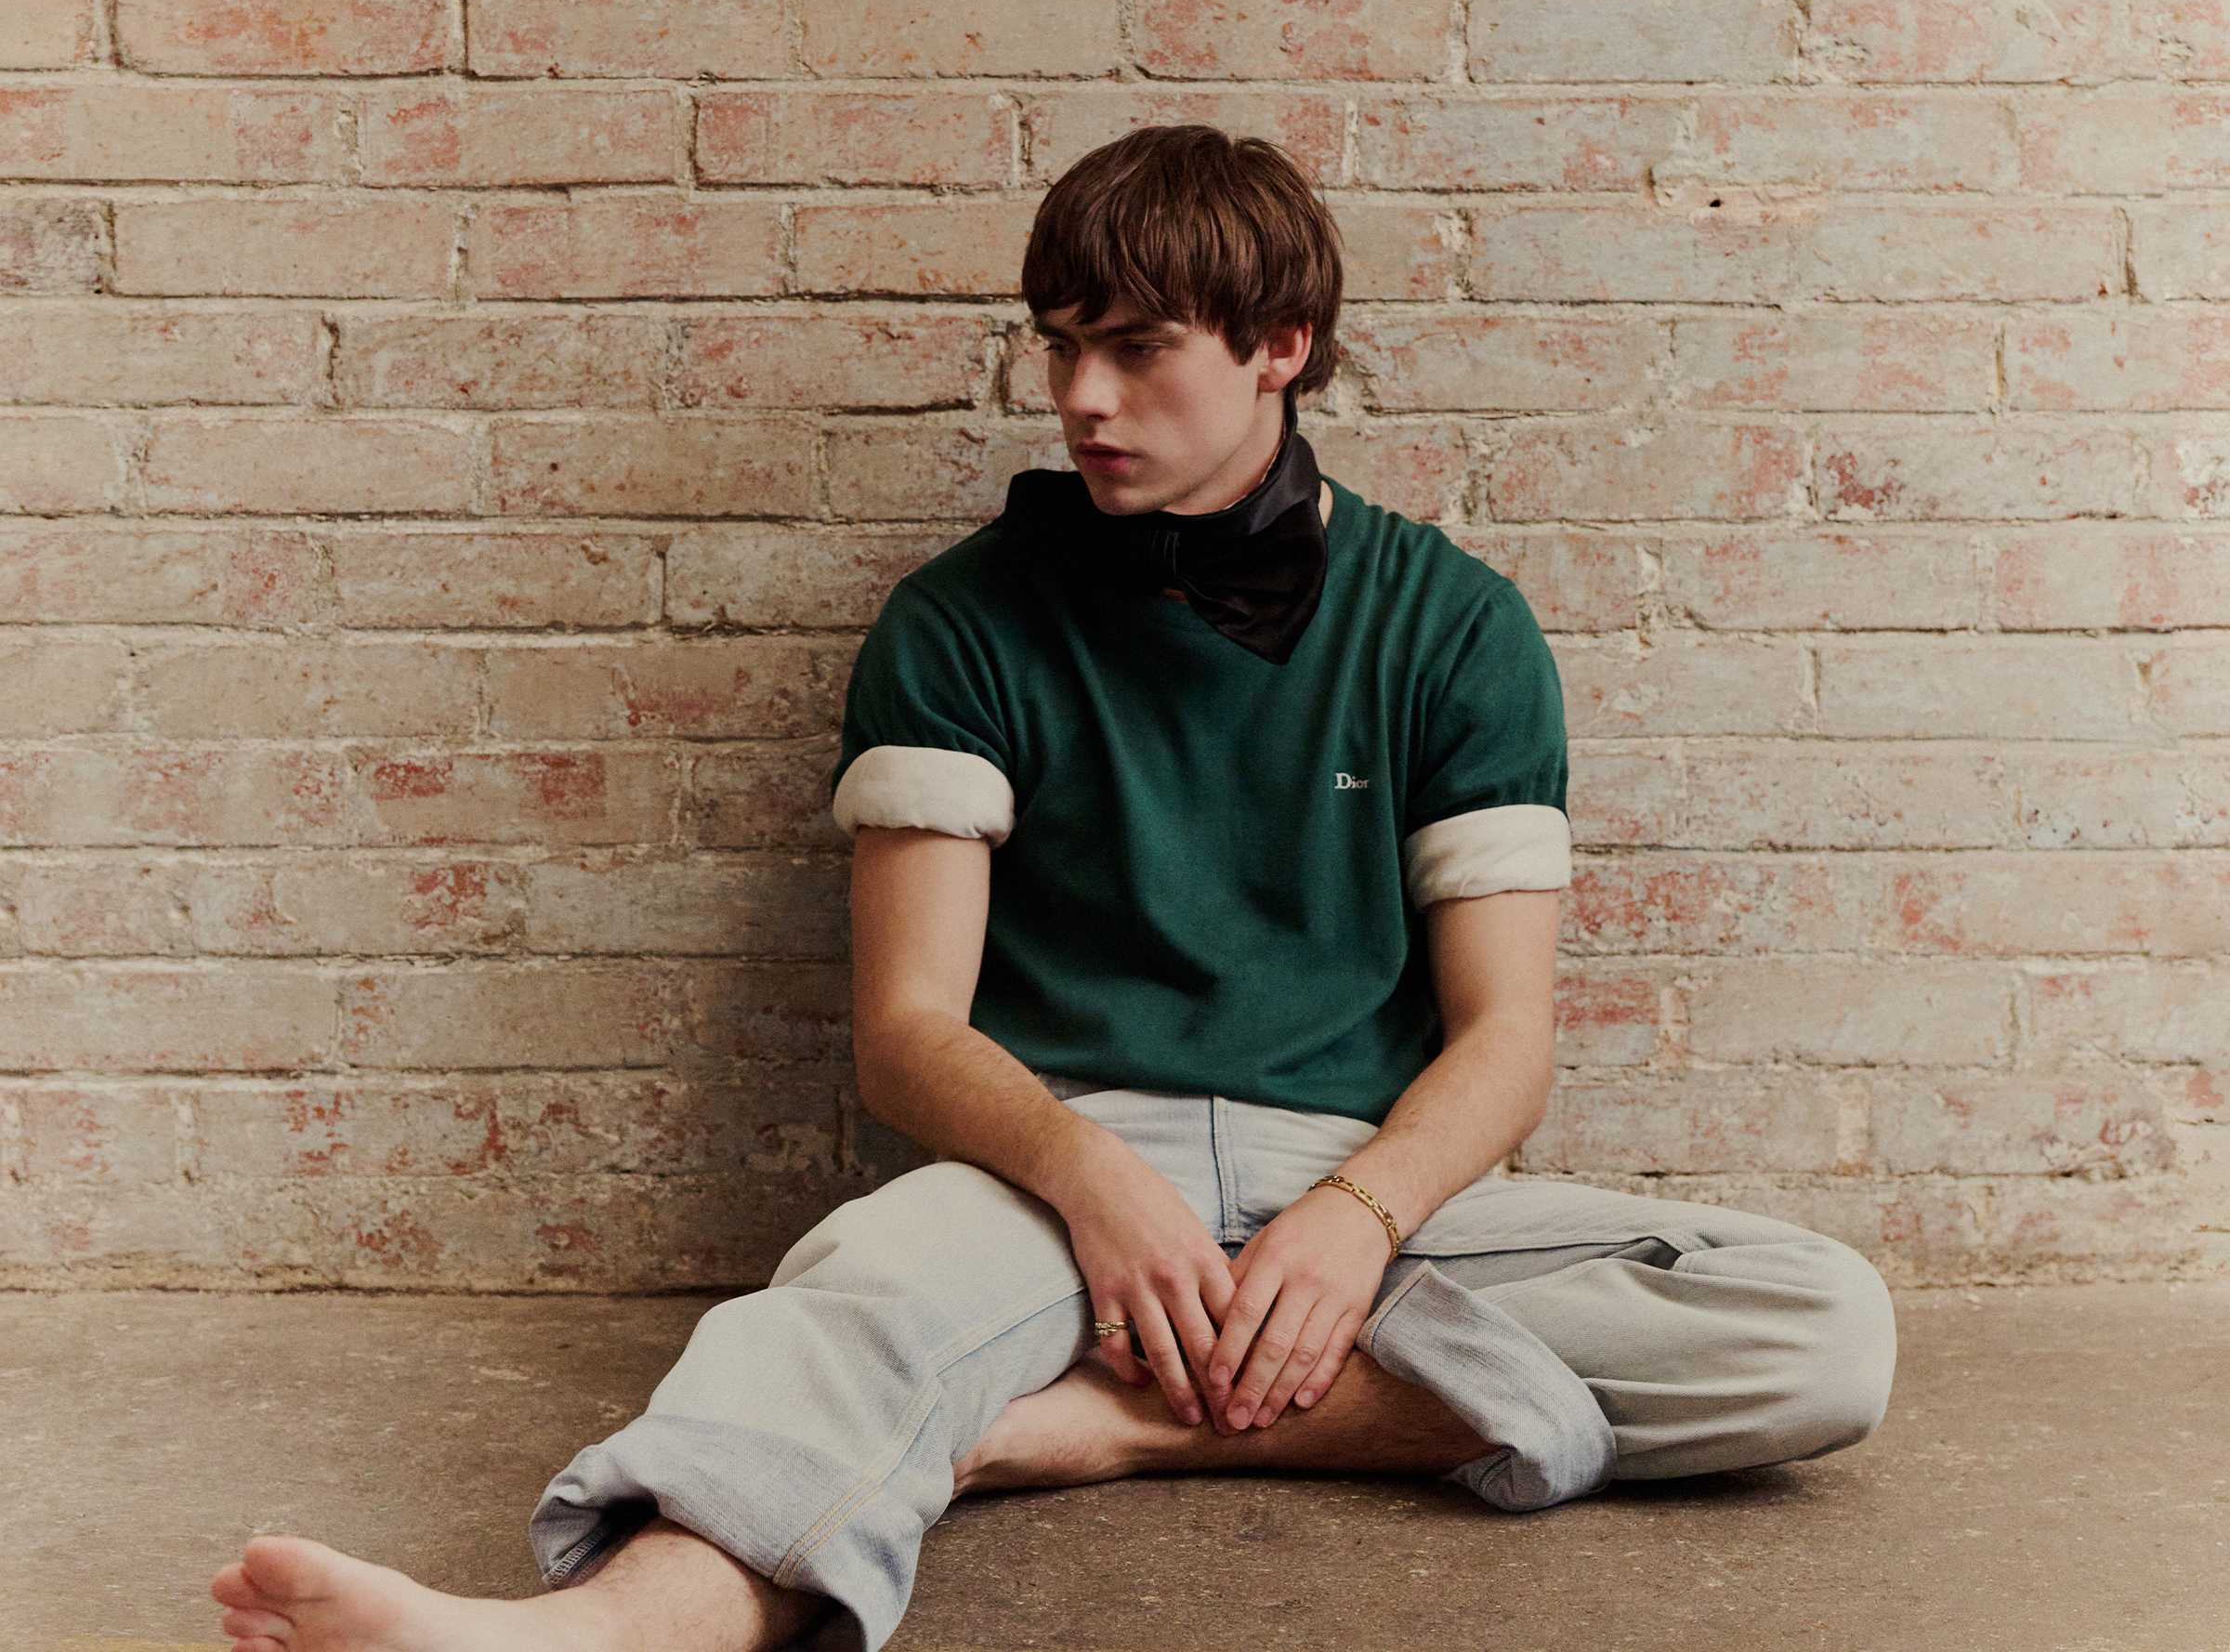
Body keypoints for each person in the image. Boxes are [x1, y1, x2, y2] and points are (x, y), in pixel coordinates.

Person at [210, 125, 1897, 1652]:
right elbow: (907, 1031)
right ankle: (577, 1643)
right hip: (1060, 1160)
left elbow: (1506, 1039)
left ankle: (1098, 1424)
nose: (1082, 397)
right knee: (842, 1309)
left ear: (1280, 348)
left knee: (1815, 1331)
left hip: (1366, 1179)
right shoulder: (963, 625)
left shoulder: (1454, 625)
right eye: (1062, 345)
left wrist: (1353, 1220)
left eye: (1138, 348)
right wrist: (1095, 1184)